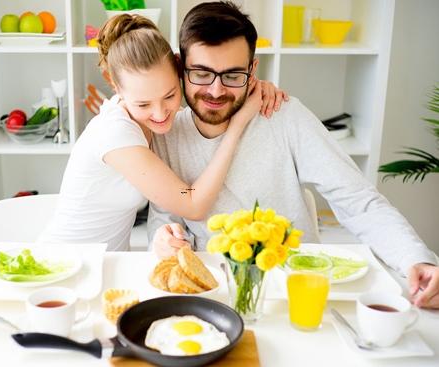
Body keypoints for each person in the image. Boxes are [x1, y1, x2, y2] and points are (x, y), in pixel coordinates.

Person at [147, 1, 439, 309]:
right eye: (202, 74)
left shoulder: (283, 115)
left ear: (252, 69)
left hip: (296, 289)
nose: (217, 91)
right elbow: (163, 219)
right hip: (215, 292)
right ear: (181, 67)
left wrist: (414, 258)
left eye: (233, 75)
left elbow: (358, 200)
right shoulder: (168, 134)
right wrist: (164, 238)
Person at [39, 14, 286, 251]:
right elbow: (192, 203)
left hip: (106, 264)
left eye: (169, 96)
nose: (160, 113)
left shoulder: (151, 120)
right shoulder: (116, 134)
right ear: (117, 88)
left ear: (179, 68)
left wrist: (250, 84)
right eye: (143, 104)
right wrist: (238, 125)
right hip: (64, 263)